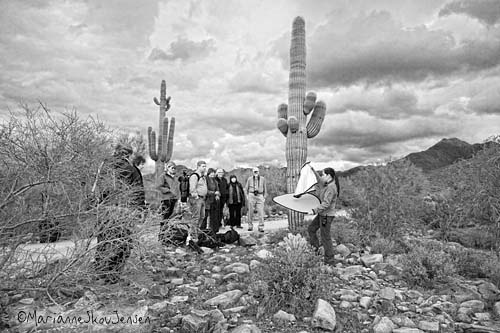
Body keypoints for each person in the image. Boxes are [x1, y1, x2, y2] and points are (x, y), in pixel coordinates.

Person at [94, 143, 136, 284]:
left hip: (105, 208)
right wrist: (138, 210)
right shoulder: (129, 168)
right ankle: (113, 274)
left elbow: (97, 187)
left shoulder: (103, 166)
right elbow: (136, 191)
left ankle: (101, 272)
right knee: (123, 242)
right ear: (126, 154)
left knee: (104, 240)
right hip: (122, 210)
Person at [307, 167, 340, 265]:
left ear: (329, 176)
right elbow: (319, 180)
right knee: (311, 229)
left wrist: (314, 211)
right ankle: (315, 251)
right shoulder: (326, 184)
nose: (321, 176)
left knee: (325, 237)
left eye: (323, 174)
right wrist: (312, 170)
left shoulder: (331, 187)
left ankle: (329, 261)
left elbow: (326, 204)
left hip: (326, 215)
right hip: (322, 214)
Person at [157, 161, 179, 241]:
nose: (173, 169)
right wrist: (168, 190)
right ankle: (161, 237)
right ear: (168, 168)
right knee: (165, 218)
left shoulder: (174, 177)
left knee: (170, 218)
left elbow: (176, 189)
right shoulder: (163, 176)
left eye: (174, 168)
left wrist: (177, 196)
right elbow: (159, 186)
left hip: (173, 199)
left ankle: (167, 237)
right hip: (166, 199)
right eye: (172, 167)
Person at [188, 161, 208, 241]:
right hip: (196, 198)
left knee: (202, 216)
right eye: (203, 166)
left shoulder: (203, 176)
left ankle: (196, 230)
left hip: (202, 198)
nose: (204, 168)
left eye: (205, 166)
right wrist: (195, 196)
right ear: (198, 166)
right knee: (196, 217)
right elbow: (192, 187)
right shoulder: (195, 176)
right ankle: (193, 235)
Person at [244, 166, 267, 232]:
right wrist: (247, 196)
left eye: (257, 171)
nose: (256, 172)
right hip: (251, 195)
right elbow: (246, 188)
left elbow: (265, 188)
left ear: (259, 172)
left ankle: (261, 226)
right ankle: (250, 226)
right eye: (255, 171)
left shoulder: (262, 179)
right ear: (253, 172)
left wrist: (264, 197)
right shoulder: (249, 179)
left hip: (260, 195)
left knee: (261, 212)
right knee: (250, 211)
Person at [202, 168, 221, 233]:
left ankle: (213, 230)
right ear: (209, 173)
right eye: (212, 173)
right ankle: (202, 230)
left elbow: (217, 189)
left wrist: (217, 195)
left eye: (214, 173)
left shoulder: (215, 181)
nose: (213, 174)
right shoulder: (205, 180)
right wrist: (213, 193)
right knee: (205, 215)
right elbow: (205, 190)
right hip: (207, 200)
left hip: (214, 201)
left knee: (214, 216)